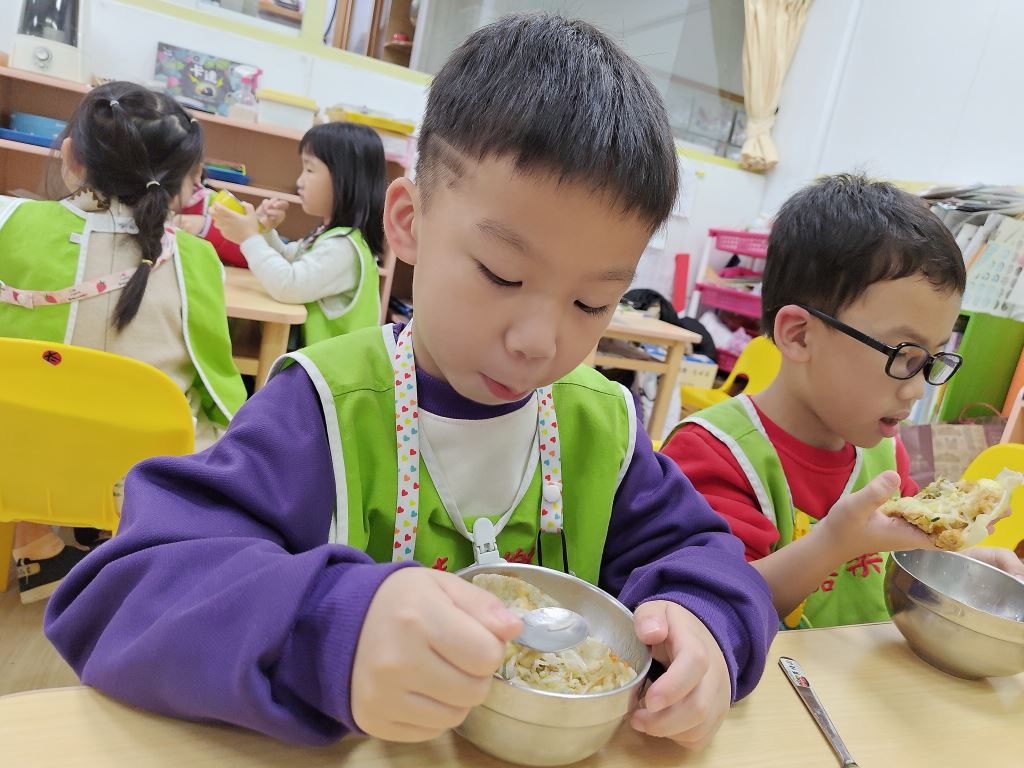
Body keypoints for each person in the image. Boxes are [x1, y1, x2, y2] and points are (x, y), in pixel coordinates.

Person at [45, 14, 777, 750]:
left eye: (592, 303)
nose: (539, 341)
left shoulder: (601, 430)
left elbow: (705, 559)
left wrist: (706, 626)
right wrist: (332, 628)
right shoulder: (322, 408)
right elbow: (120, 595)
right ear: (409, 222)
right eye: (503, 274)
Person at [663, 174, 1024, 629]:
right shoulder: (713, 454)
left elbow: (900, 553)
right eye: (904, 355)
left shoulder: (884, 454)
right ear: (800, 335)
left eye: (932, 359)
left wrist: (964, 563)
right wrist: (835, 542)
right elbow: (710, 606)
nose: (917, 389)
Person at [0, 81, 246, 603]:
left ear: (72, 157)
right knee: (207, 420)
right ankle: (129, 545)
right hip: (138, 479)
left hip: (17, 462)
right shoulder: (198, 262)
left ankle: (35, 540)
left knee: (31, 393)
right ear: (185, 182)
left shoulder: (8, 220)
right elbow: (219, 387)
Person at [212, 121, 385, 344]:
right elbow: (289, 260)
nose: (299, 182)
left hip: (334, 366)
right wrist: (264, 231)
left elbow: (288, 285)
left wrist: (250, 237)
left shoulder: (343, 248)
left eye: (309, 170)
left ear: (345, 179)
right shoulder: (330, 236)